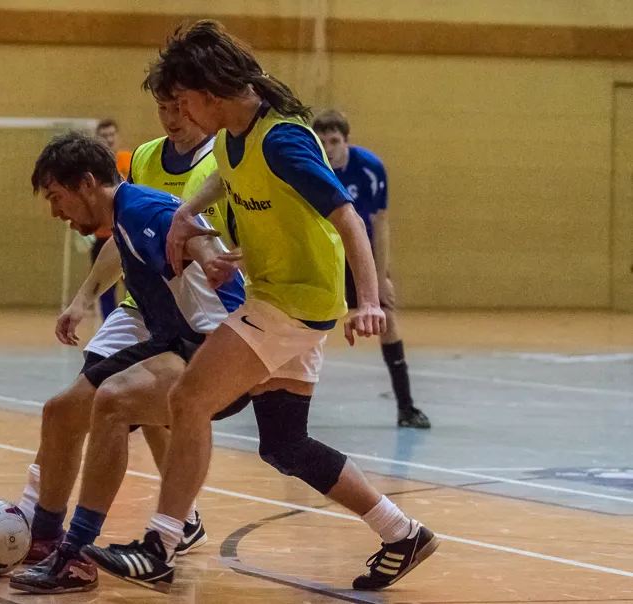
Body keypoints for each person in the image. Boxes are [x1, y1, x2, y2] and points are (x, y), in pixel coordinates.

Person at [83, 20, 438, 593]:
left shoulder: (282, 140)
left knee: (188, 397)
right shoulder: (234, 135)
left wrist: (368, 300)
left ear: (209, 92)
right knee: (285, 444)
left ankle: (161, 544)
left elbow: (348, 216)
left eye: (183, 101)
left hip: (295, 301)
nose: (180, 114)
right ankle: (402, 532)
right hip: (279, 295)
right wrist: (186, 212)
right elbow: (228, 178)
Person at [10, 131, 248, 593]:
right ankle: (45, 540)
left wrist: (210, 258)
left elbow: (183, 228)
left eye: (57, 198)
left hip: (218, 349)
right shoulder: (123, 215)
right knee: (61, 412)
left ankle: (76, 557)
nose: (56, 212)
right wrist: (83, 299)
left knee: (114, 401)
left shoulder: (141, 209)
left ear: (86, 183)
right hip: (174, 340)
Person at [312, 110, 430, 429]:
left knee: (387, 319)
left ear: (346, 141)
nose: (328, 149)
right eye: (322, 142)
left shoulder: (369, 168)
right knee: (302, 324)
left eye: (334, 141)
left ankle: (406, 407)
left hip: (358, 253)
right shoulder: (310, 167)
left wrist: (380, 277)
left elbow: (380, 224)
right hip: (323, 255)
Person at [89, 119, 132, 319]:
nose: (109, 139)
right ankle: (109, 325)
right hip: (102, 237)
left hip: (127, 234)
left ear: (117, 136)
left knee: (135, 285)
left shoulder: (129, 160)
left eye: (112, 134)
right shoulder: (90, 169)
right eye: (104, 136)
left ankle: (138, 326)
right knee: (104, 289)